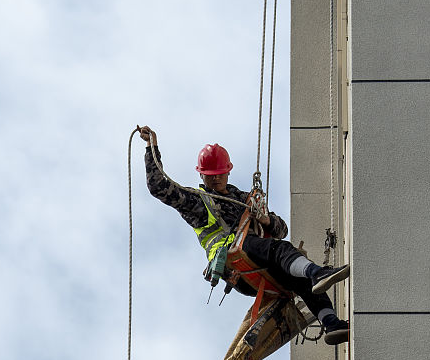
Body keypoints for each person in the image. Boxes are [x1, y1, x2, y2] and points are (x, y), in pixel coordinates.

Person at [140, 125, 349, 345]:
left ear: (228, 171)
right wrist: (151, 146)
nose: (216, 179)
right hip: (234, 261)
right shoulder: (196, 202)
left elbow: (281, 229)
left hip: (256, 260)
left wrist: (265, 220)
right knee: (281, 250)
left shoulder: (242, 198)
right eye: (211, 176)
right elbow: (158, 186)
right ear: (201, 174)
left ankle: (331, 324)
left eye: (220, 174)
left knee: (301, 280)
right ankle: (317, 273)